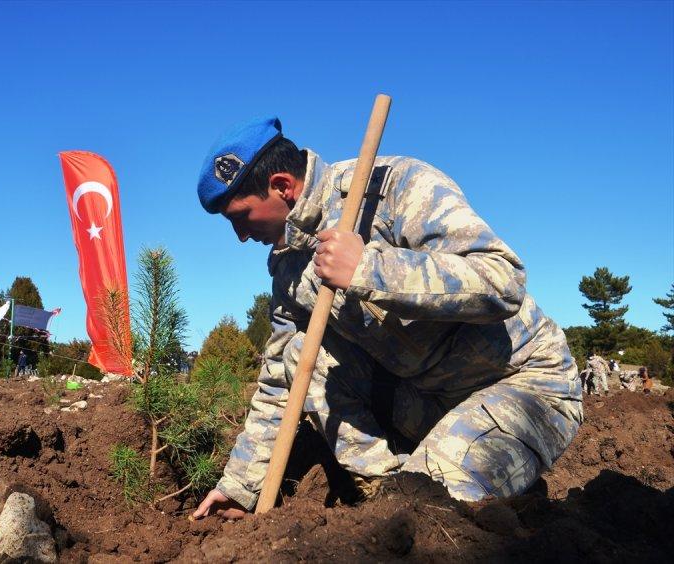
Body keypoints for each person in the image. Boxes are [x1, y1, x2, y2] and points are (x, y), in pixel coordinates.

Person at [192, 117, 583, 519]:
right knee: (299, 353)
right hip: (427, 401)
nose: (240, 235)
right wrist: (240, 486)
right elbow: (279, 378)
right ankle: (385, 494)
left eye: (241, 217)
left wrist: (368, 270)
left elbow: (503, 280)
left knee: (426, 507)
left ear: (281, 187)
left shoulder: (395, 187)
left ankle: (448, 489)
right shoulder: (288, 267)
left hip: (523, 383)